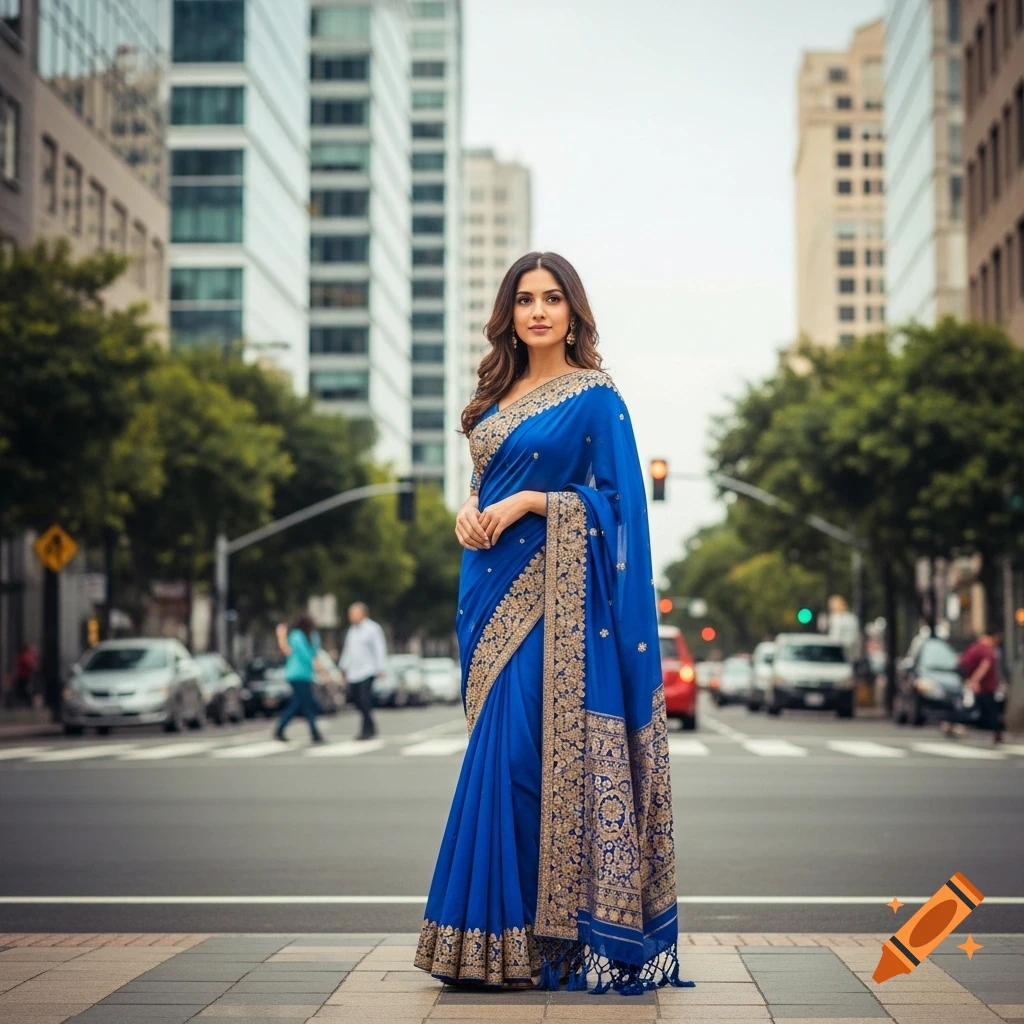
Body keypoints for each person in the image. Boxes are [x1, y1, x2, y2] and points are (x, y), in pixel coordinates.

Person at [413, 252, 693, 995]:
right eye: (525, 299)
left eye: (553, 298)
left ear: (573, 313)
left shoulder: (597, 398)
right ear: (508, 315)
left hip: (553, 601)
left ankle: (538, 942)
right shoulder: (492, 398)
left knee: (518, 757)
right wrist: (467, 514)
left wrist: (535, 503)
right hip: (486, 587)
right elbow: (482, 486)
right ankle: (490, 943)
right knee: (499, 754)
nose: (538, 311)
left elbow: (623, 508)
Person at [337, 602, 386, 740]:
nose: (350, 617)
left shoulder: (373, 628)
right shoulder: (351, 631)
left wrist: (381, 667)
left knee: (365, 699)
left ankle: (367, 730)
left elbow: (379, 648)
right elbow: (347, 651)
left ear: (362, 614)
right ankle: (371, 726)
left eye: (353, 614)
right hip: (354, 672)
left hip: (367, 670)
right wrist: (343, 669)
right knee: (356, 700)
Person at [273, 614, 326, 743]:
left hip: (306, 675)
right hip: (296, 675)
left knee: (301, 703)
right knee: (304, 703)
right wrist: (323, 672)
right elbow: (305, 655)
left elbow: (315, 652)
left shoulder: (313, 636)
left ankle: (281, 729)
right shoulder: (296, 636)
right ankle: (314, 733)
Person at [947, 630, 1004, 745]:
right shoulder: (985, 649)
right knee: (988, 709)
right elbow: (985, 665)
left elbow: (963, 662)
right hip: (984, 687)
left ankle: (950, 723)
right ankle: (997, 732)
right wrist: (975, 681)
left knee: (973, 708)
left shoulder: (974, 647)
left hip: (975, 684)